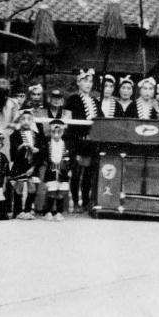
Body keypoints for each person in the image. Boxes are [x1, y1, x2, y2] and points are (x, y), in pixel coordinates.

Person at [66, 69, 100, 213]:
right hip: (77, 141)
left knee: (89, 174)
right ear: (78, 83)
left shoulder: (95, 101)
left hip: (91, 143)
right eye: (84, 81)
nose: (88, 84)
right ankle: (75, 201)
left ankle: (86, 201)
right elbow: (68, 120)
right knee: (76, 173)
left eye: (90, 81)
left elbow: (101, 120)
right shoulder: (72, 99)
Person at [39, 118, 73, 221]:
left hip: (63, 171)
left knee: (61, 192)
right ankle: (48, 211)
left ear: (63, 131)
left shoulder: (66, 144)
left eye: (59, 131)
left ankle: (59, 212)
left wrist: (70, 169)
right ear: (51, 131)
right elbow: (44, 157)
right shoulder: (47, 143)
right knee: (51, 191)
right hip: (51, 169)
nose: (56, 133)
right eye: (54, 131)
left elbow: (70, 158)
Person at [9, 110, 40, 219]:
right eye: (23, 119)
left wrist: (34, 164)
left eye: (29, 119)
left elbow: (41, 151)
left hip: (32, 165)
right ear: (19, 120)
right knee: (19, 187)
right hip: (20, 164)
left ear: (32, 121)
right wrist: (21, 146)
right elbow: (13, 152)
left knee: (32, 187)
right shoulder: (15, 135)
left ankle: (27, 209)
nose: (26, 122)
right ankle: (17, 211)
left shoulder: (36, 135)